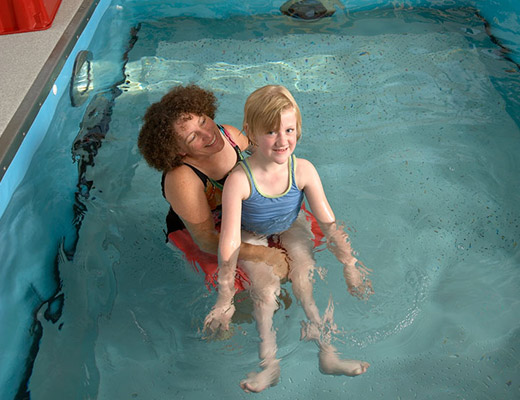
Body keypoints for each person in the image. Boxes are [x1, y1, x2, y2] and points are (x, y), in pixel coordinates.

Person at [203, 85, 372, 393]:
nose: (283, 141)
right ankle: (269, 364)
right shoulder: (240, 180)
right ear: (251, 133)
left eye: (289, 130)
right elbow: (228, 242)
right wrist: (224, 298)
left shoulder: (303, 170)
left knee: (304, 276)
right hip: (251, 233)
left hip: (291, 224)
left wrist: (350, 262)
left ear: (298, 129)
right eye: (270, 132)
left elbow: (328, 222)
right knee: (265, 292)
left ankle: (328, 353)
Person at [137, 84, 289, 291]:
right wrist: (263, 254)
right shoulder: (182, 180)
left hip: (238, 212)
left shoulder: (229, 135)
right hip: (201, 233)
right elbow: (206, 240)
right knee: (242, 290)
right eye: (192, 137)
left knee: (294, 257)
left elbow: (262, 152)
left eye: (203, 121)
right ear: (178, 151)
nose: (208, 135)